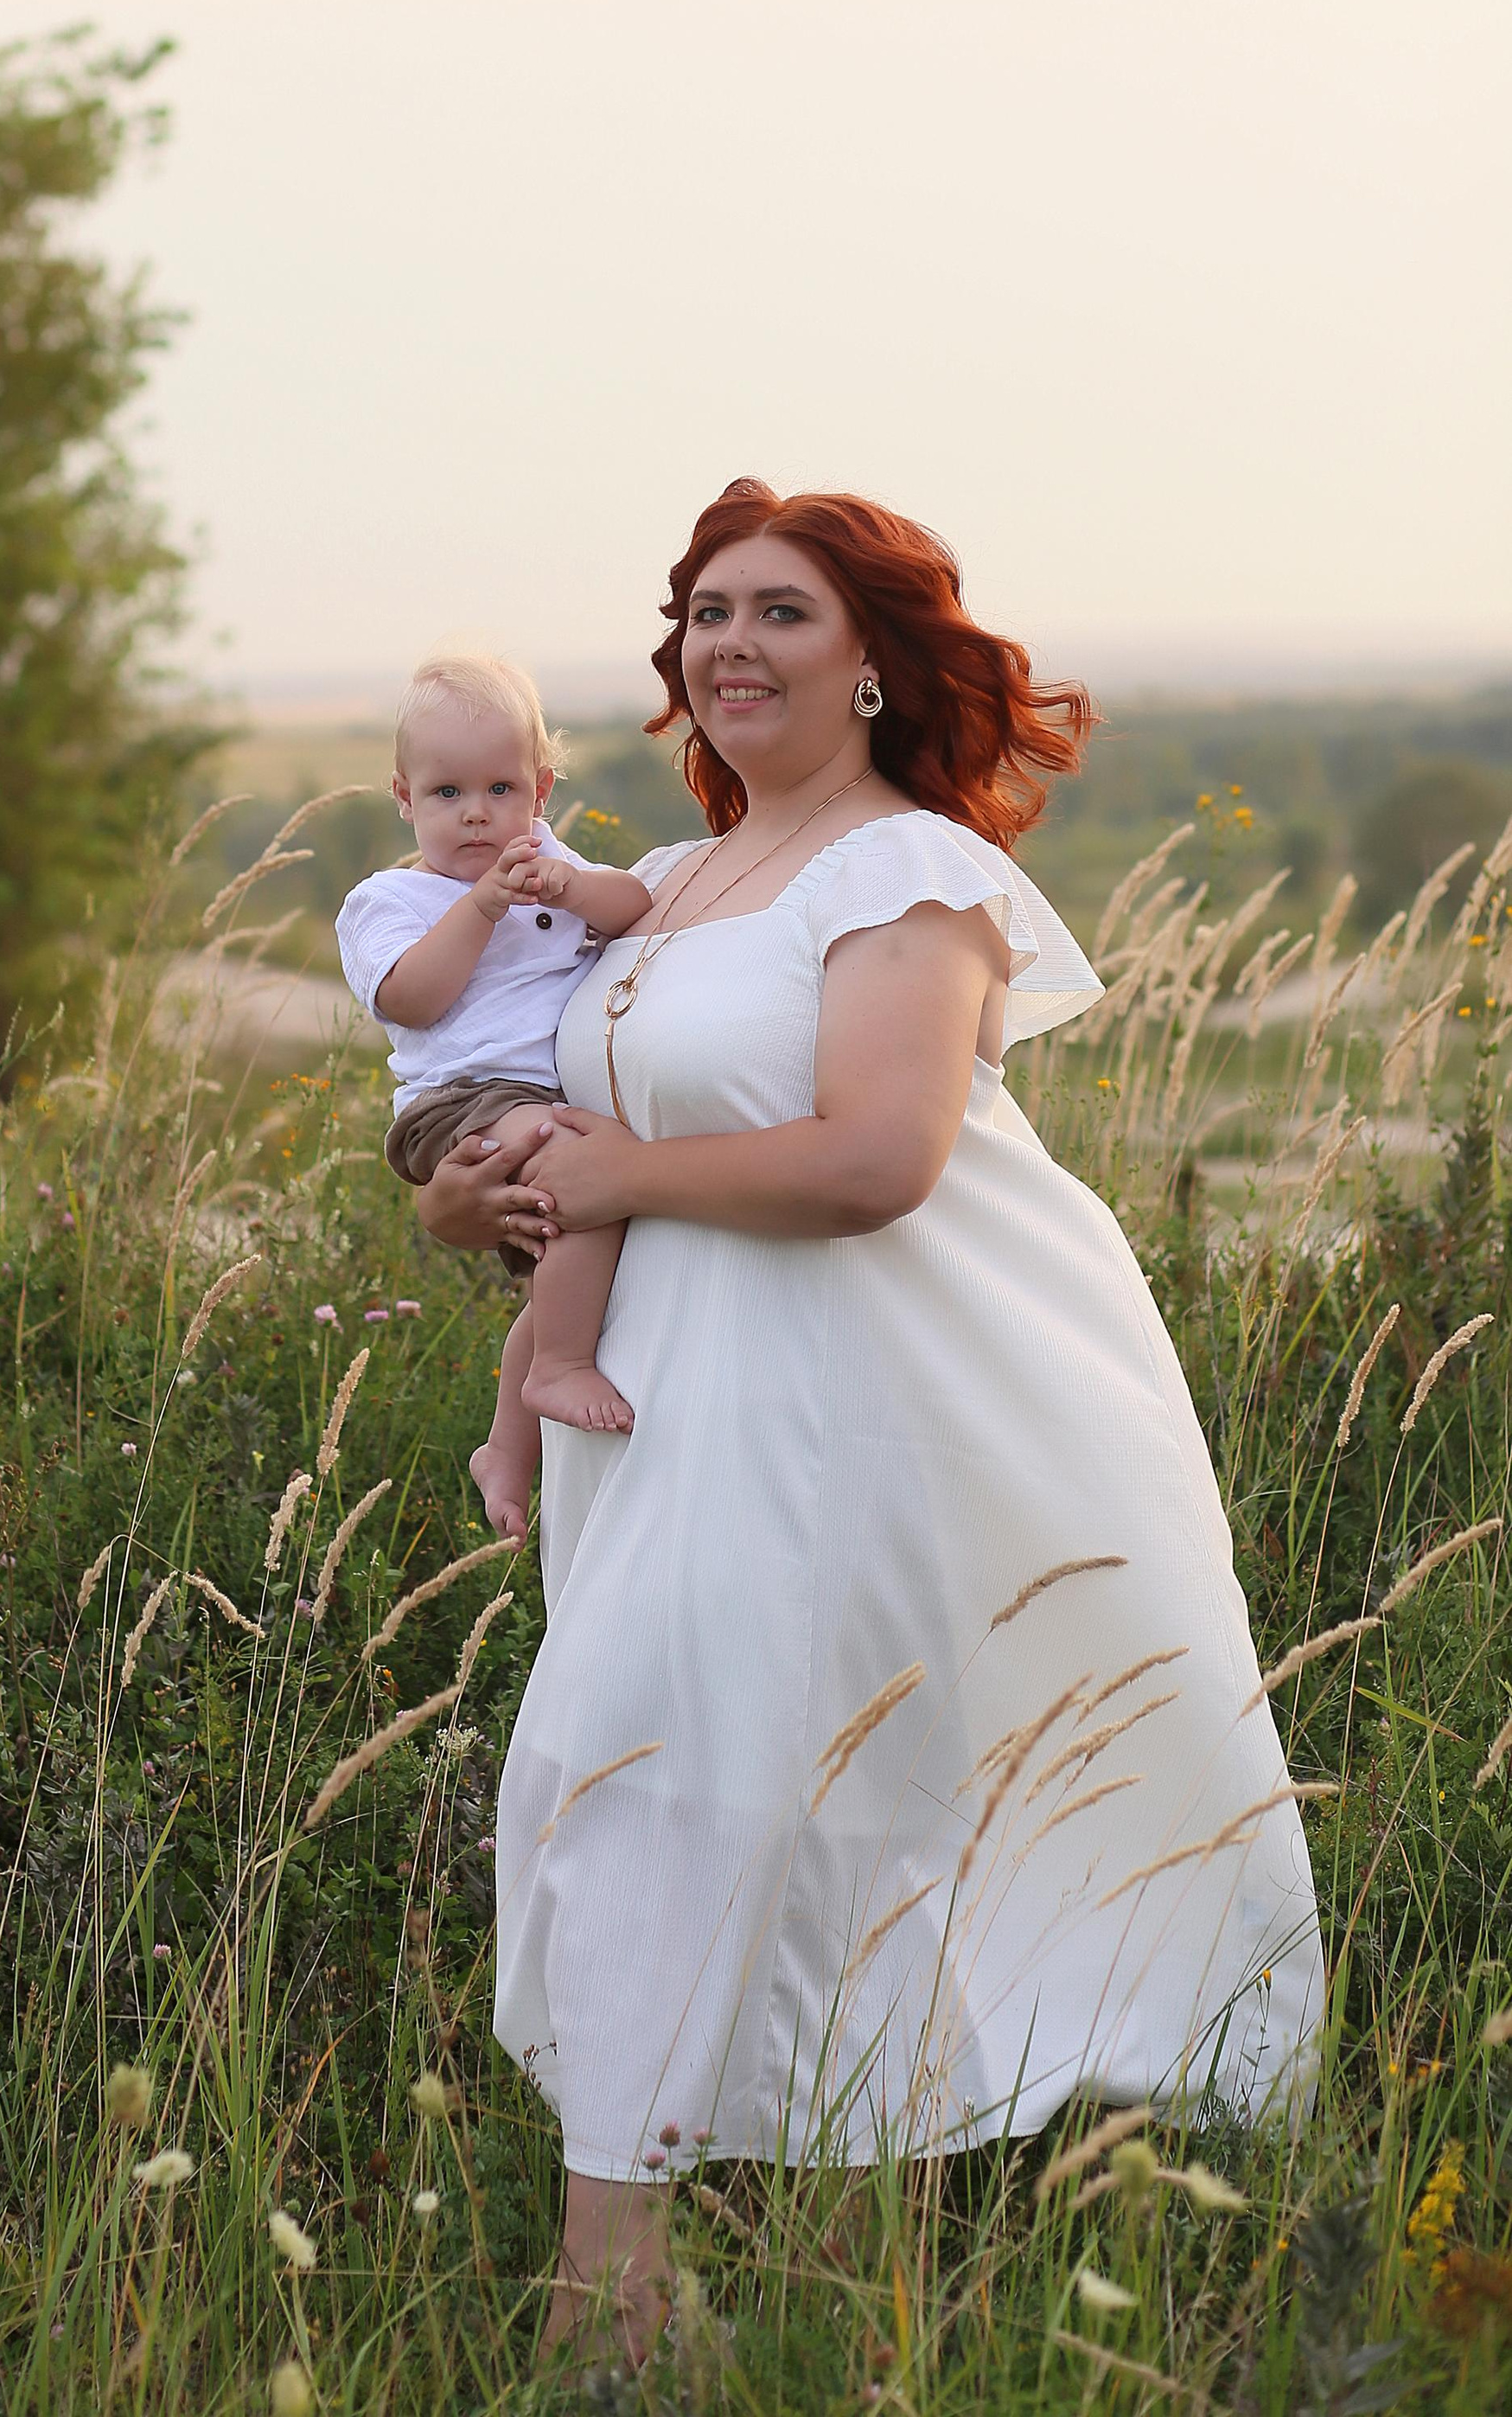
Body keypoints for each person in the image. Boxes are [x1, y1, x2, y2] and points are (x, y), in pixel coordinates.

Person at [418, 483, 1325, 2360]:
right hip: (669, 1409)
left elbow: (873, 1159)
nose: (726, 647)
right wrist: (473, 1199)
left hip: (854, 1409)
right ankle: (764, 2296)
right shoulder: (669, 884)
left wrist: (611, 1179)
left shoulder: (912, 877)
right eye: (701, 615)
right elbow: (544, 1140)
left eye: (779, 614)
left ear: (872, 666)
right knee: (678, 1784)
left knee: (743, 1789)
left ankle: (653, 2299)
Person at [335, 653, 654, 1539]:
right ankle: (557, 1367)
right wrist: (477, 909)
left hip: (536, 1099)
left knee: (563, 1263)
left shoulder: (544, 863)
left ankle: (506, 1450)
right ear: (403, 796)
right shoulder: (390, 900)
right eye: (446, 794)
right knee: (584, 1177)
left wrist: (573, 886)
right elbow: (410, 999)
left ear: (541, 790)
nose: (476, 813)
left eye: (501, 788)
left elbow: (634, 905)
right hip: (458, 1101)